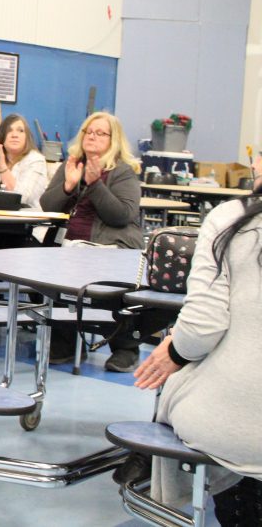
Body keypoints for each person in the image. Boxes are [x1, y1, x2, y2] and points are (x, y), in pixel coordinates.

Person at [132, 197, 262, 525]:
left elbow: (203, 326)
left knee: (194, 400)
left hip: (242, 431)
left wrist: (175, 350)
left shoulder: (234, 218)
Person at [39, 111, 159, 372]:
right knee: (56, 274)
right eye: (88, 132)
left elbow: (122, 215)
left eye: (100, 133)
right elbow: (47, 206)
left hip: (114, 246)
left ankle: (126, 348)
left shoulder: (123, 172)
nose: (92, 137)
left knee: (112, 288)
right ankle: (65, 342)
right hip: (74, 245)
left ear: (113, 139)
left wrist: (95, 185)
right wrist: (68, 187)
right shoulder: (72, 164)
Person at [0, 113, 47, 209]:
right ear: (2, 137)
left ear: (26, 137)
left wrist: (2, 169)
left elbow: (23, 198)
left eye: (20, 131)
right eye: (9, 131)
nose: (14, 135)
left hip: (25, 221)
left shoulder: (36, 160)